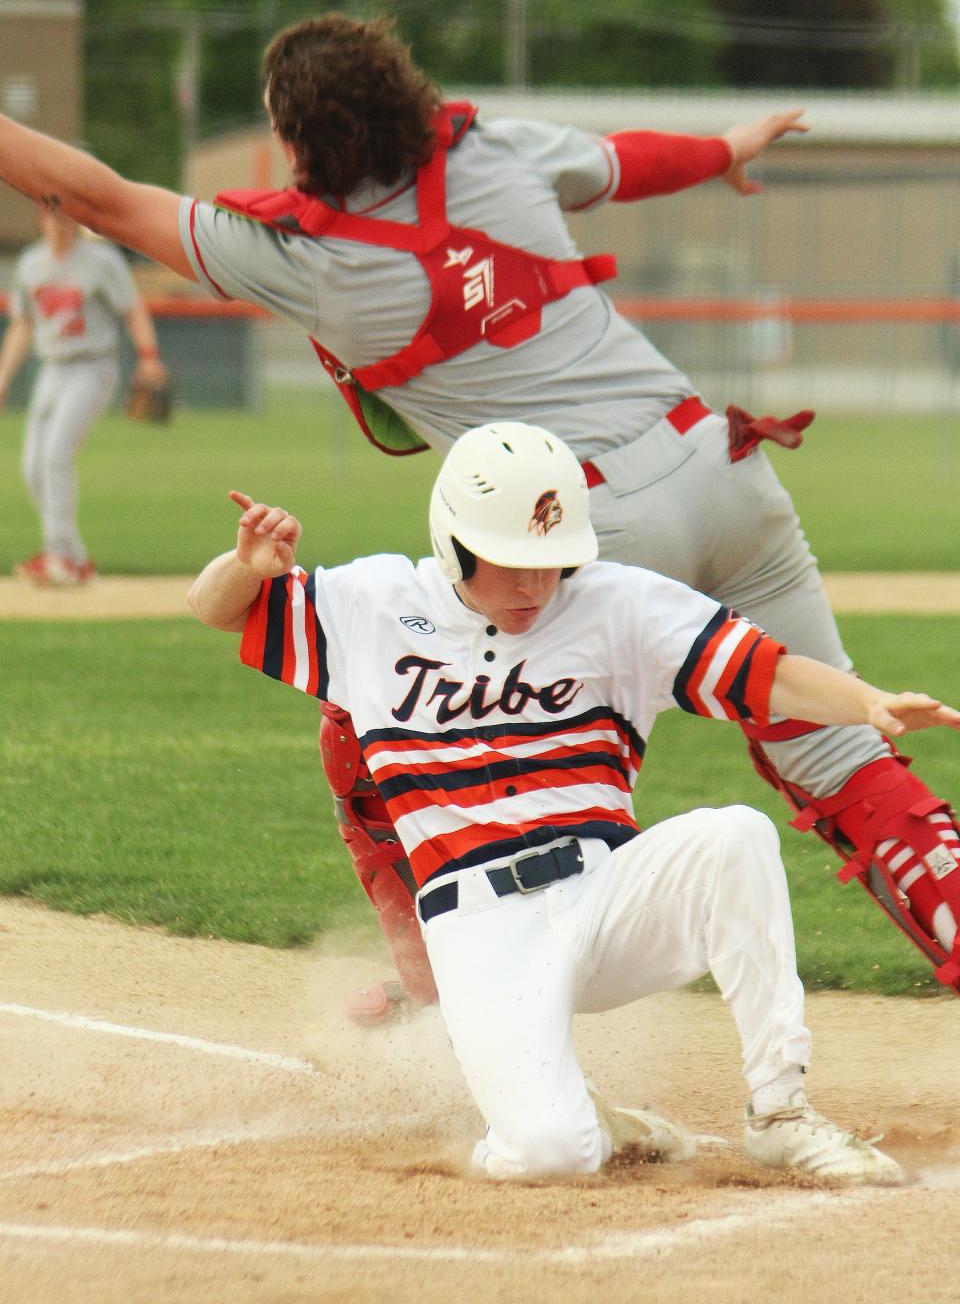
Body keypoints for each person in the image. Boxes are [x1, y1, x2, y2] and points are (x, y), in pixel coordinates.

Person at [0, 12, 956, 1003]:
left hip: (579, 524)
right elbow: (622, 162)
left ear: (297, 143)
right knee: (841, 749)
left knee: (379, 710)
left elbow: (99, 200)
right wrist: (729, 148)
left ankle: (439, 963)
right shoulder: (491, 150)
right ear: (405, 94)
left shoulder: (310, 260)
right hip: (726, 465)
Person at [188, 421, 960, 1184]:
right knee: (550, 1155)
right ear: (454, 542)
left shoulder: (618, 604)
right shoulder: (374, 603)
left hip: (606, 899)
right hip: (480, 928)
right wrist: (246, 566)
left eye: (553, 563)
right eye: (512, 563)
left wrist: (867, 703)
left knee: (736, 836)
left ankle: (782, 1113)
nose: (534, 586)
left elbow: (765, 671)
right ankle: (574, 1114)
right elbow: (216, 610)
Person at [0, 205, 168, 586]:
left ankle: (58, 555)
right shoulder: (30, 264)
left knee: (56, 454)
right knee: (32, 468)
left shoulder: (101, 261)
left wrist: (149, 357)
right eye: (50, 214)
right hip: (52, 369)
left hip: (92, 367)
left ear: (75, 219)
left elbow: (132, 311)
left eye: (64, 214)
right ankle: (73, 558)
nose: (58, 222)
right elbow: (23, 326)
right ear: (40, 219)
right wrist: (3, 379)